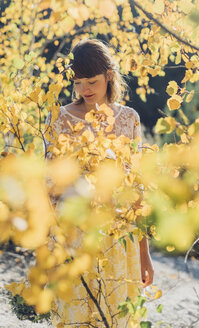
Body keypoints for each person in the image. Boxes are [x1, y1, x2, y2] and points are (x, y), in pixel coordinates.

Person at [45, 38, 154, 327]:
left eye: (91, 81)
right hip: (74, 236)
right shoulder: (59, 118)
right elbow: (49, 191)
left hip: (120, 240)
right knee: (74, 318)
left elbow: (136, 189)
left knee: (118, 318)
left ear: (109, 75)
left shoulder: (129, 119)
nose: (85, 90)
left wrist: (144, 254)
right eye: (78, 82)